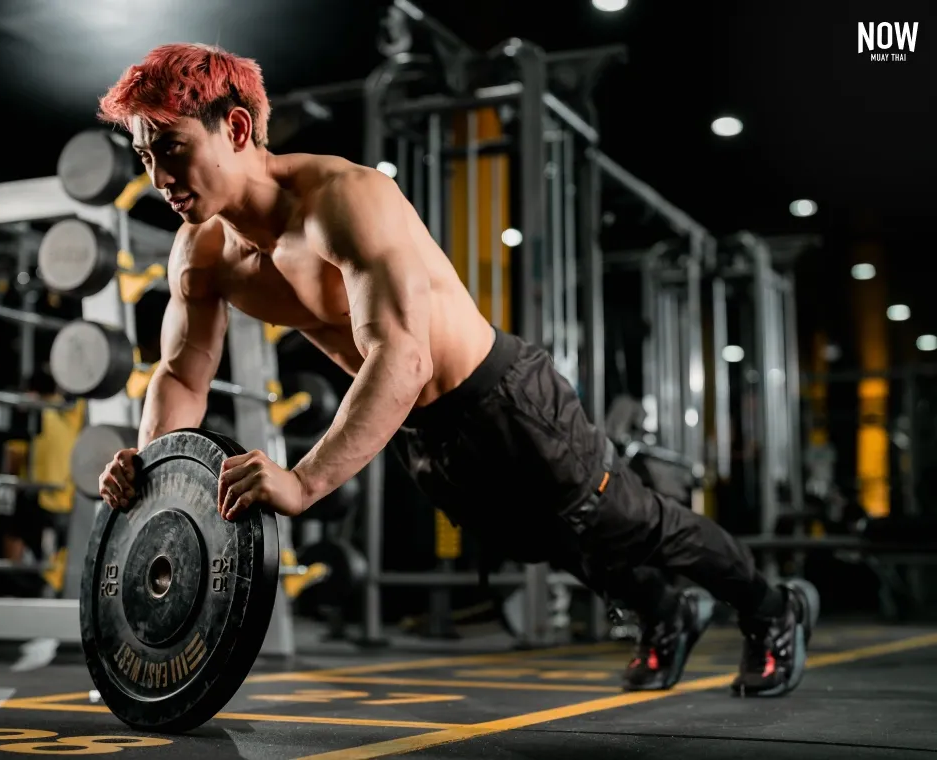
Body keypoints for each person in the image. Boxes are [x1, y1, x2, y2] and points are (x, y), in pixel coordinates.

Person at [94, 43, 817, 698]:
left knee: (627, 521)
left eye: (172, 148)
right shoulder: (203, 254)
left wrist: (304, 479)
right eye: (145, 156)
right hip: (423, 433)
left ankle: (772, 607)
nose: (159, 176)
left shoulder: (343, 202)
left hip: (502, 399)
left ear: (238, 130)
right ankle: (666, 613)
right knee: (548, 541)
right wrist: (155, 475)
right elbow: (183, 374)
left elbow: (402, 357)